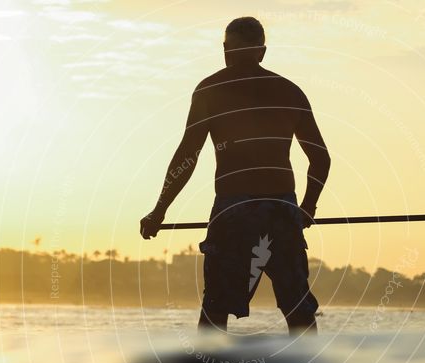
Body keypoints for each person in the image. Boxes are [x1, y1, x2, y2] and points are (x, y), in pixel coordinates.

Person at [140, 16, 330, 335]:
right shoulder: (289, 92)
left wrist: (160, 209)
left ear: (226, 50)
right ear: (262, 52)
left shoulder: (211, 89)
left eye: (229, 49)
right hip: (282, 209)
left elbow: (188, 155)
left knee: (215, 310)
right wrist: (306, 208)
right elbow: (320, 159)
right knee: (297, 309)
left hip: (233, 211)